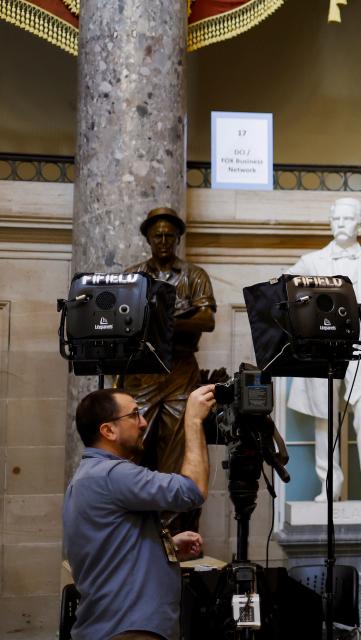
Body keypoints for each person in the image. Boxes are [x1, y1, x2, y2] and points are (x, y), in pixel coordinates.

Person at [62, 385, 215, 640]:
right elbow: (192, 491)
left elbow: (107, 547)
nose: (144, 422)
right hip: (128, 630)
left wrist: (164, 546)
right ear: (108, 430)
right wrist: (193, 419)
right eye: (134, 415)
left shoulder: (90, 476)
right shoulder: (113, 475)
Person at [287, 197, 361, 502]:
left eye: (347, 219)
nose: (340, 224)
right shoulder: (311, 260)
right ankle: (330, 484)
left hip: (357, 349)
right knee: (325, 415)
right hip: (322, 348)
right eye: (336, 219)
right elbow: (284, 289)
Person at [122, 206, 216, 534]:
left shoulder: (194, 275)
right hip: (142, 369)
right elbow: (126, 323)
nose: (163, 240)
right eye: (157, 234)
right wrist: (180, 316)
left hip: (180, 367)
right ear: (148, 238)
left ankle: (174, 536)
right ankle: (132, 531)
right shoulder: (133, 276)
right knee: (132, 445)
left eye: (169, 235)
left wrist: (161, 320)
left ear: (177, 238)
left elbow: (207, 320)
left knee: (178, 449)